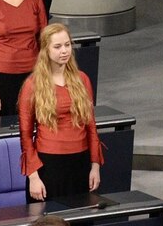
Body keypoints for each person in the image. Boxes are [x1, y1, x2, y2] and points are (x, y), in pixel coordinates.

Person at [19, 23, 103, 201]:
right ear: (45, 50)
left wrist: (95, 166)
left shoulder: (82, 79)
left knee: (80, 220)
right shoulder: (32, 85)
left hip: (80, 161)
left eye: (67, 45)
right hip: (50, 163)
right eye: (57, 47)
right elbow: (26, 136)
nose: (64, 51)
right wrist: (33, 177)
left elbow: (91, 127)